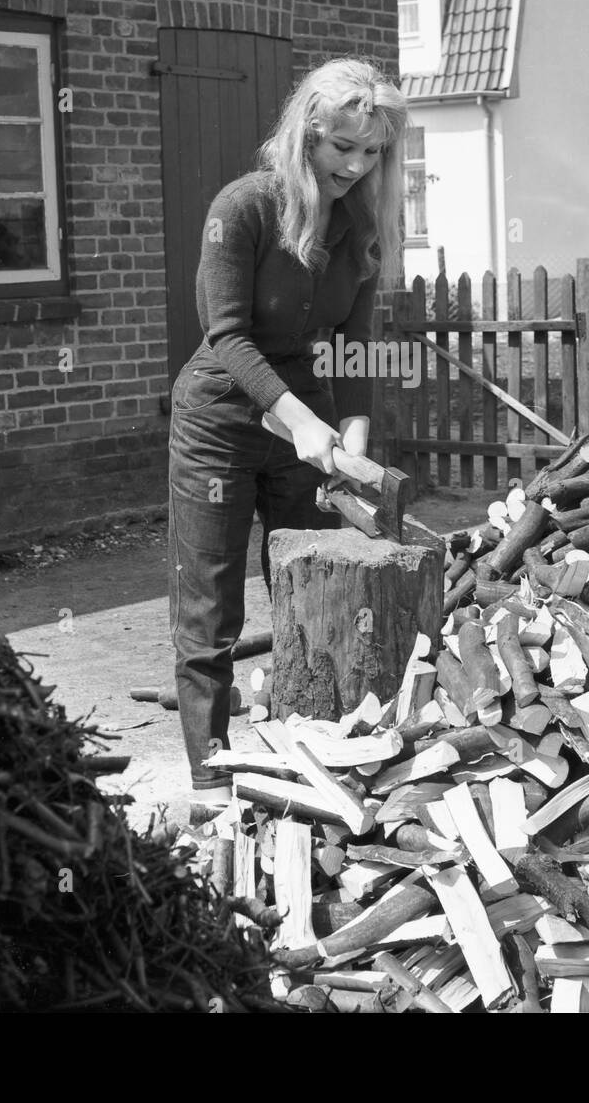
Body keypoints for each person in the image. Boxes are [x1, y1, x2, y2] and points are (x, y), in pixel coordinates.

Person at [167, 58, 408, 805]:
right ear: (307, 134)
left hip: (304, 416)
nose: (357, 165)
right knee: (211, 608)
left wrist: (353, 431)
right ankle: (210, 776)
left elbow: (357, 341)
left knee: (309, 588)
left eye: (372, 152)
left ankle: (310, 753)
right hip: (220, 418)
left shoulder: (358, 227)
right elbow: (227, 336)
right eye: (343, 147)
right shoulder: (242, 209)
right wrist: (301, 421)